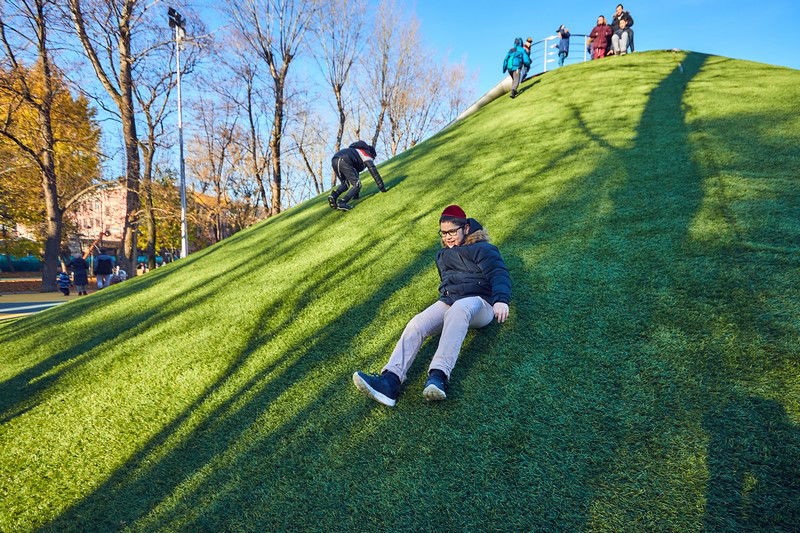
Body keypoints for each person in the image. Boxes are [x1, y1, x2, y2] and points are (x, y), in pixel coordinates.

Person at [352, 205, 512, 406]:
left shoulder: (483, 248)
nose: (448, 237)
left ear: (466, 229)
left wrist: (501, 300)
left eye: (452, 231)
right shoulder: (442, 255)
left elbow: (499, 273)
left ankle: (438, 376)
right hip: (451, 302)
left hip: (481, 304)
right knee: (418, 323)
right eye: (444, 233)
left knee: (460, 308)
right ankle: (390, 381)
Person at [328, 141, 387, 211]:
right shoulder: (367, 155)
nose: (372, 160)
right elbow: (374, 172)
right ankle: (342, 202)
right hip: (344, 160)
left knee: (345, 184)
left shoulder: (357, 151)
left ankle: (333, 196)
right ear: (372, 155)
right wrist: (382, 188)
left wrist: (356, 196)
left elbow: (355, 174)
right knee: (357, 185)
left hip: (335, 159)